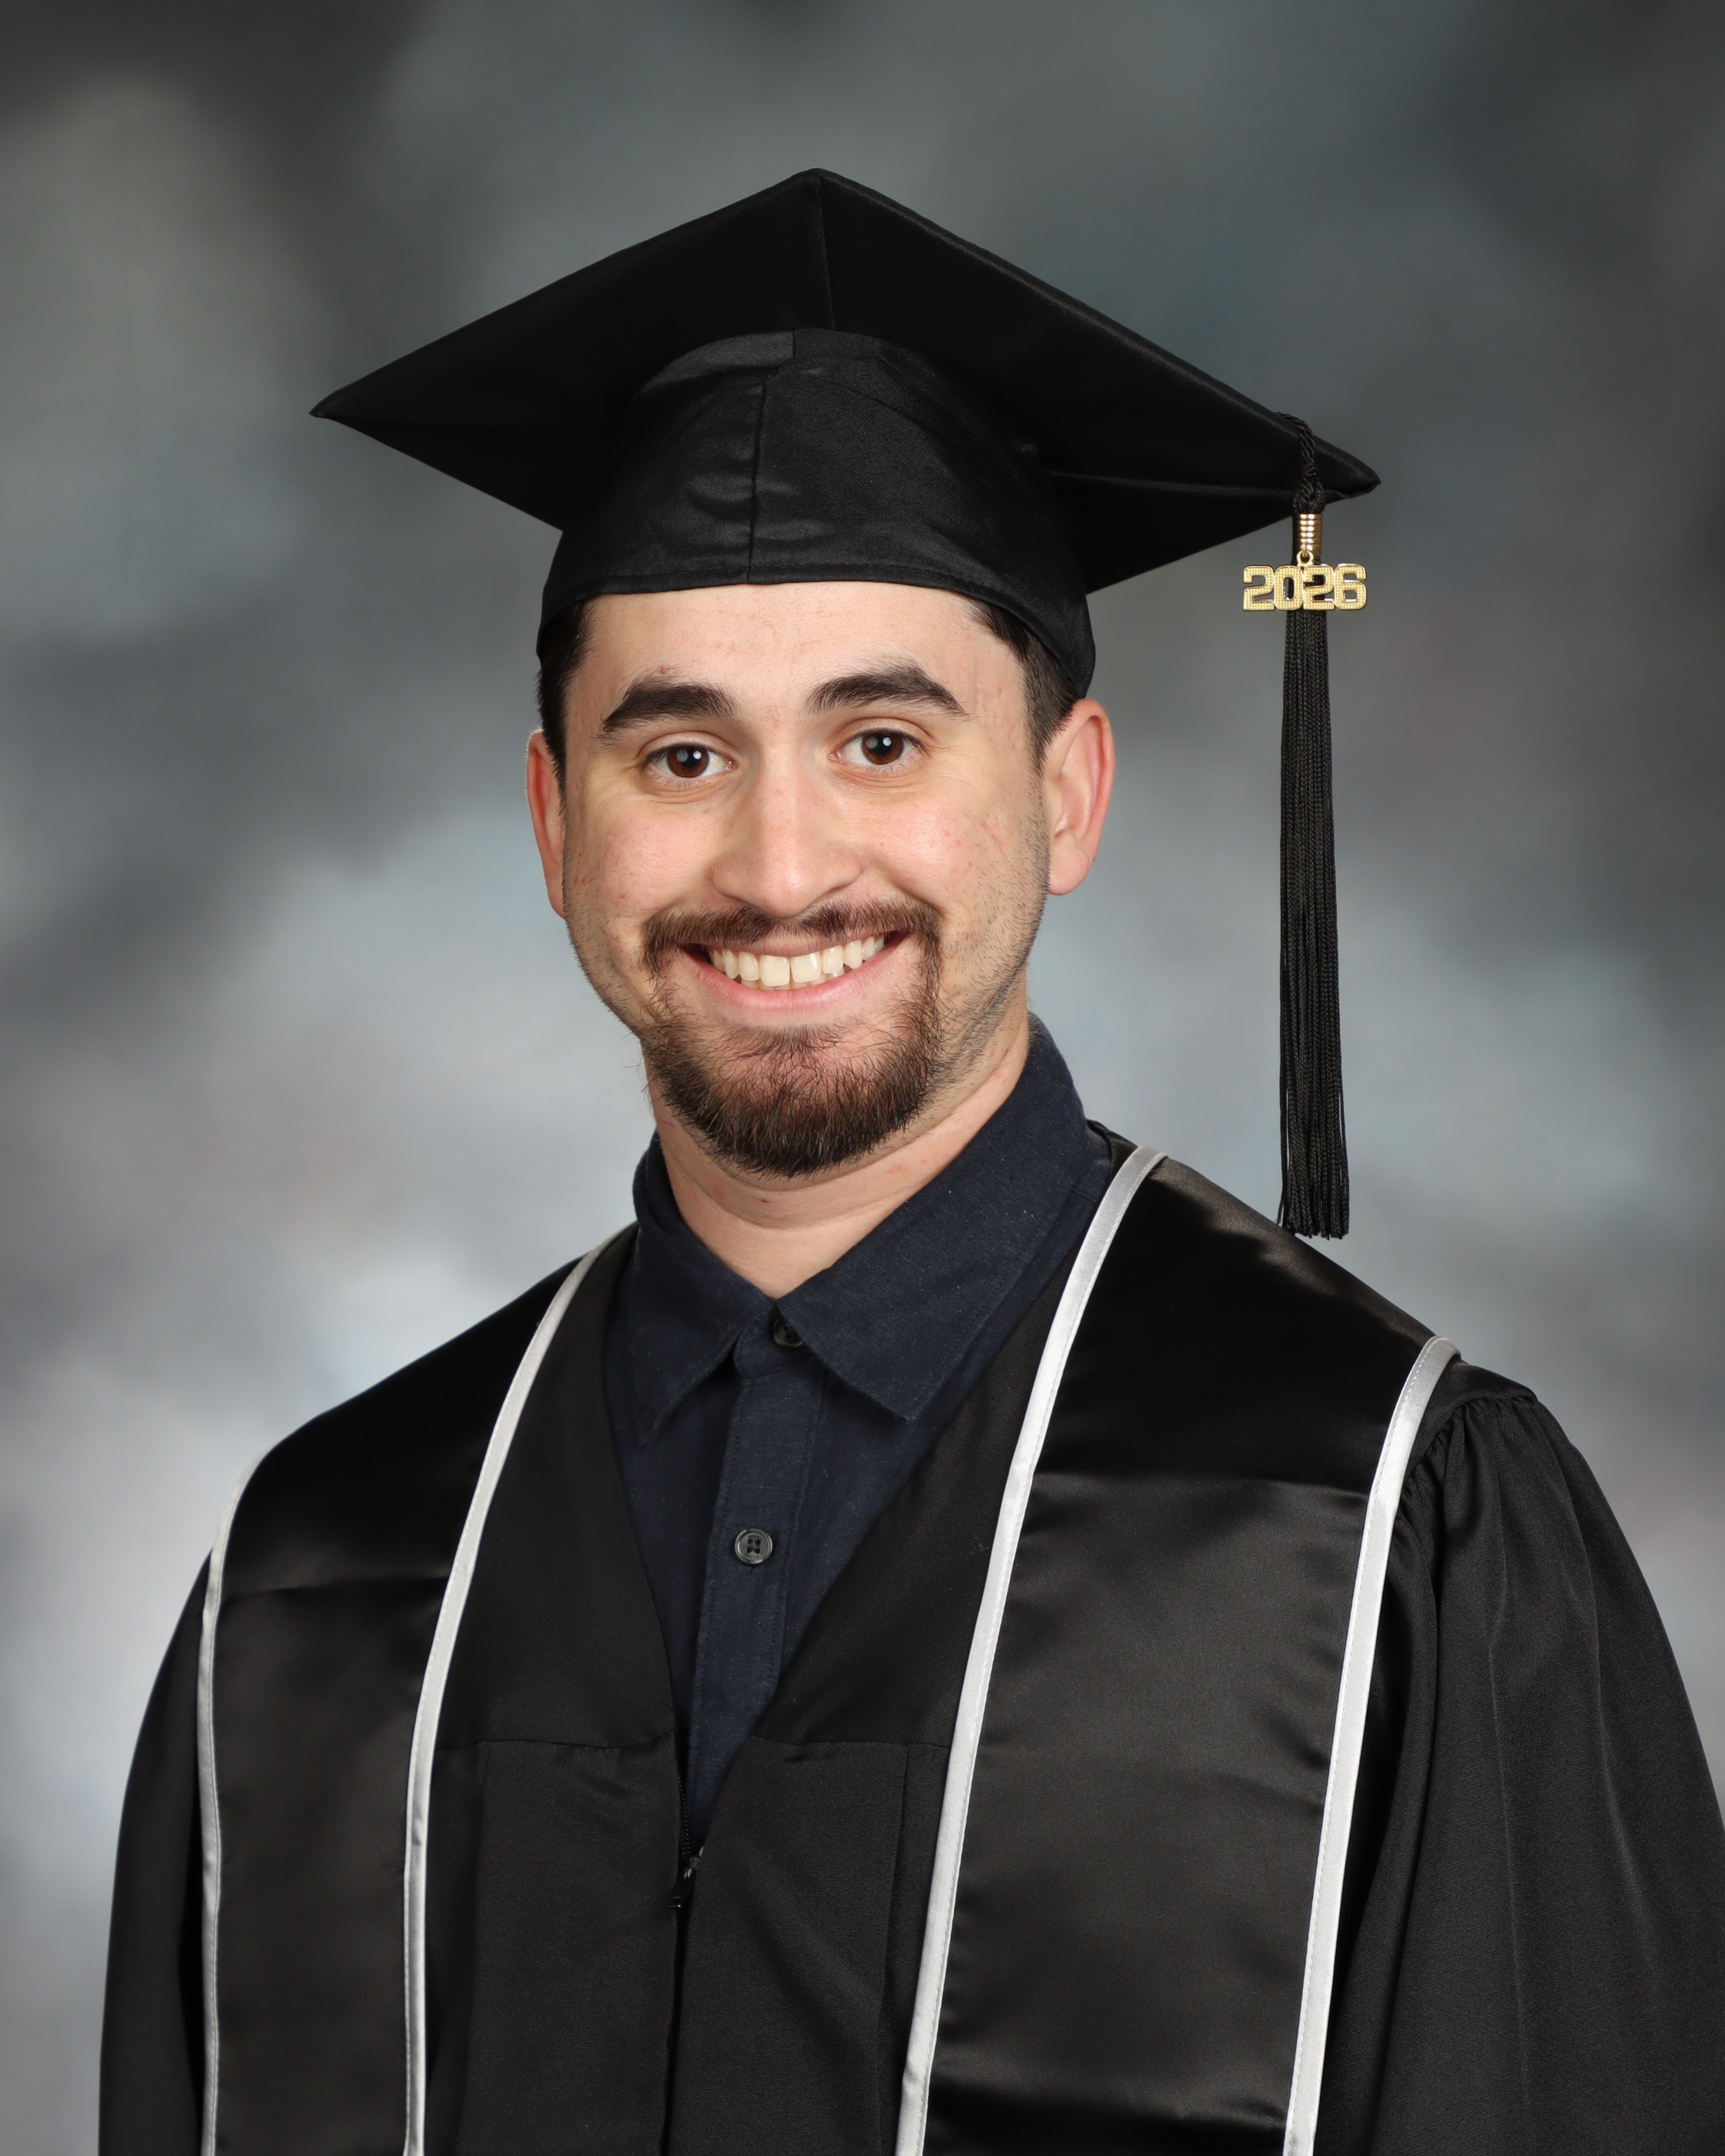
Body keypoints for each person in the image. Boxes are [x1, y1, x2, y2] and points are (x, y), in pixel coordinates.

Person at [99, 172, 1724, 2156]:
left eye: (881, 741)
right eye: (680, 755)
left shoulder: (1384, 1527)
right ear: (554, 822)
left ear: (1065, 794)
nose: (782, 867)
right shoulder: (321, 1573)